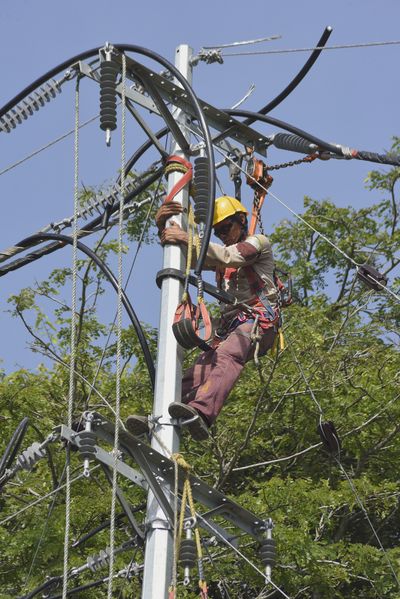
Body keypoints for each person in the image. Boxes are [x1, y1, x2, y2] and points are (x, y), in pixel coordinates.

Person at [126, 196, 279, 441]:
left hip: (258, 321)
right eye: (217, 232)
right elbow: (186, 255)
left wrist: (187, 237)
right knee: (197, 371)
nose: (222, 235)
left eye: (226, 228)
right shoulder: (220, 258)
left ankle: (203, 414)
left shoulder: (258, 243)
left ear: (241, 221)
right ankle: (158, 419)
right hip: (232, 327)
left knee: (228, 356)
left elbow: (232, 256)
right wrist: (164, 226)